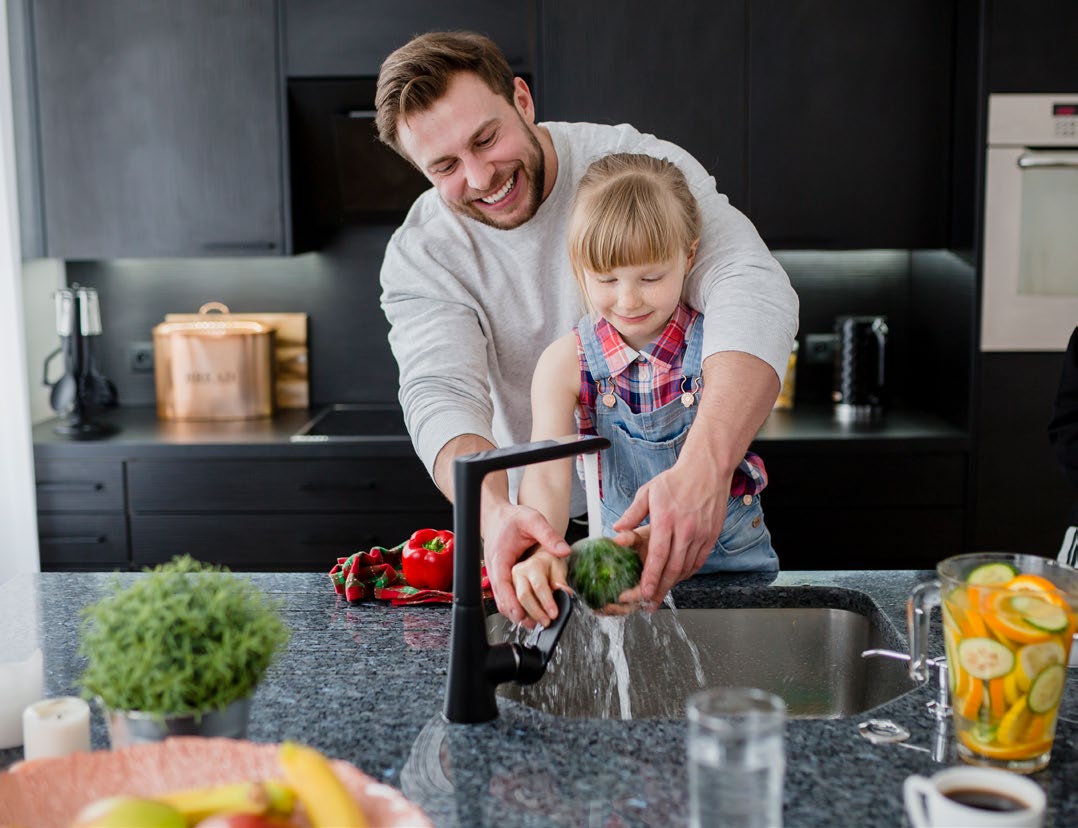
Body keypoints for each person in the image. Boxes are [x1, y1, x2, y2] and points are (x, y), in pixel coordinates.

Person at [376, 31, 798, 624]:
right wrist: (493, 514)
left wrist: (704, 470)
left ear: (521, 100)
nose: (478, 176)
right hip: (542, 518)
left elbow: (749, 283)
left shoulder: (633, 170)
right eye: (444, 166)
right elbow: (440, 392)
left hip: (705, 531)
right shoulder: (423, 252)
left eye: (486, 138)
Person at [510, 154, 778, 626]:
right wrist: (542, 549)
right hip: (626, 582)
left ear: (689, 256)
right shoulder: (564, 363)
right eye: (607, 280)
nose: (628, 300)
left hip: (735, 571)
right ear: (579, 268)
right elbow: (548, 474)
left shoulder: (722, 347)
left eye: (651, 278)